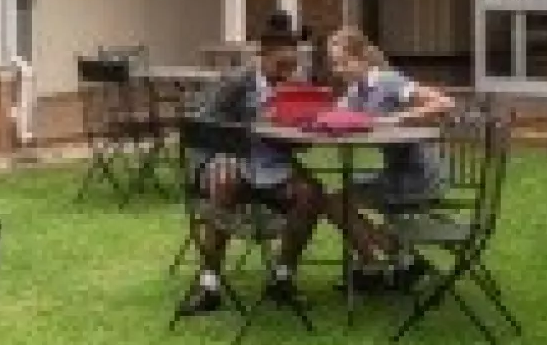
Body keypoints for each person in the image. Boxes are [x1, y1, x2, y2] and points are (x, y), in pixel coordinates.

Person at [175, 23, 325, 318]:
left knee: (311, 193)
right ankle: (210, 284)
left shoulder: (294, 86)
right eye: (281, 65)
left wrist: (299, 127)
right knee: (226, 179)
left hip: (272, 166)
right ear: (262, 56)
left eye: (292, 65)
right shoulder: (236, 82)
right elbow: (202, 124)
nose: (288, 72)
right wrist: (249, 129)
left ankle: (283, 277)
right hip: (228, 160)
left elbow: (299, 144)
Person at [321, 26, 456, 291]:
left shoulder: (388, 81)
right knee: (335, 199)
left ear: (361, 58)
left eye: (343, 63)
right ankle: (389, 262)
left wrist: (396, 118)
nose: (338, 70)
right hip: (395, 174)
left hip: (419, 177)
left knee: (336, 202)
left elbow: (444, 103)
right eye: (334, 64)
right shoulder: (357, 91)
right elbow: (335, 117)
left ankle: (388, 262)